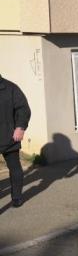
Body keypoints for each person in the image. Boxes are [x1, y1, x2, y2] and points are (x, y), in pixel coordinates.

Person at [0, 75, 31, 207]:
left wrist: (20, 127)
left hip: (9, 137)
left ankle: (17, 197)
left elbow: (23, 108)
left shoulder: (11, 88)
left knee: (15, 168)